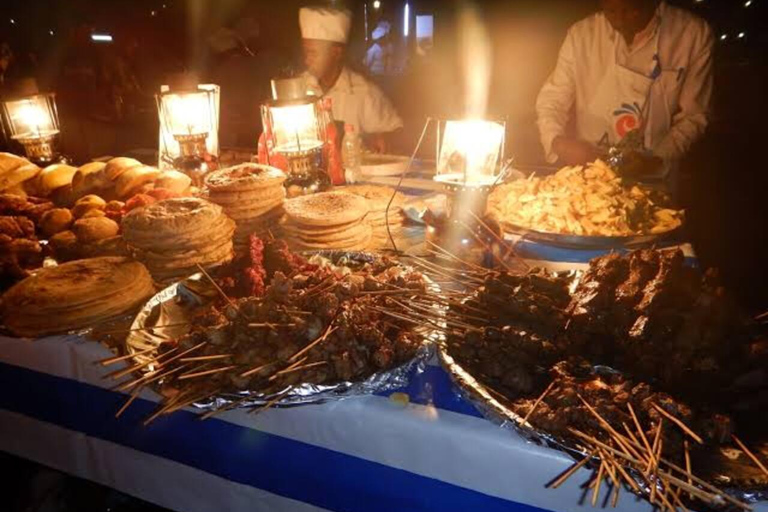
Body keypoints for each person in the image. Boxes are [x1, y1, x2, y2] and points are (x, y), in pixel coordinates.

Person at [535, 0, 713, 187]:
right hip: (590, 174)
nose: (620, 21)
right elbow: (553, 98)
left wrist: (657, 159)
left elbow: (694, 115)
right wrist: (557, 142)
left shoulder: (692, 34)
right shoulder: (582, 35)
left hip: (654, 175)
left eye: (632, 10)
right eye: (612, 11)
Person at [300, 6, 402, 152]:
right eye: (305, 53)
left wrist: (382, 138)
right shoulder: (300, 88)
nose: (307, 60)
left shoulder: (364, 92)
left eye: (313, 53)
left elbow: (396, 131)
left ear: (336, 53)